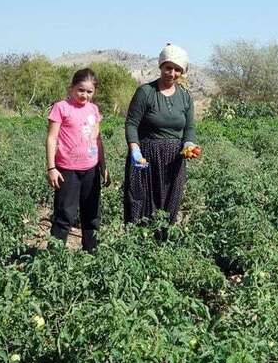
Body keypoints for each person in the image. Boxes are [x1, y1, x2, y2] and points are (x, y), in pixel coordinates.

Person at [123, 44, 200, 230]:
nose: (171, 73)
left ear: (181, 72)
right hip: (145, 156)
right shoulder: (145, 92)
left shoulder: (185, 97)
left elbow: (189, 127)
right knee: (140, 201)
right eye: (168, 67)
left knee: (169, 203)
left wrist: (188, 145)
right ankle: (135, 245)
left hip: (174, 159)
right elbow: (131, 123)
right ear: (161, 66)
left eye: (177, 69)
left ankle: (162, 247)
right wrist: (135, 149)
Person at [46, 68, 108, 252]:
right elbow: (51, 138)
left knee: (92, 214)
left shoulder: (94, 109)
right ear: (72, 88)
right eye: (81, 90)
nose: (84, 95)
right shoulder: (61, 107)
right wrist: (51, 168)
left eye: (89, 91)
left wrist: (103, 166)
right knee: (65, 214)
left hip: (91, 168)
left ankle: (91, 252)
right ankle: (53, 257)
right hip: (67, 170)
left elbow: (97, 139)